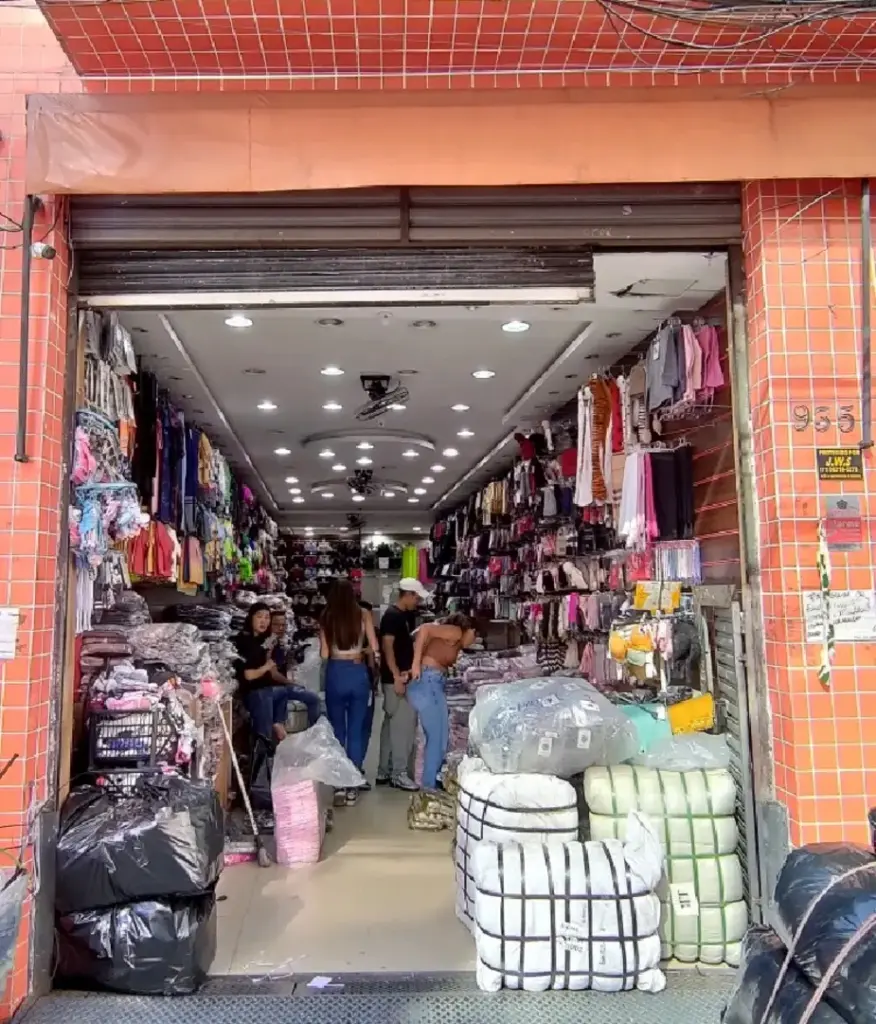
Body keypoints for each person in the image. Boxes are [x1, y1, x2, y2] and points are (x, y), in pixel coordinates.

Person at [320, 580, 380, 804]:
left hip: (335, 673)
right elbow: (374, 647)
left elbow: (324, 654)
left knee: (338, 731)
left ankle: (338, 784)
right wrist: (363, 651)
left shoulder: (326, 616)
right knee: (356, 730)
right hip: (358, 673)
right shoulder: (363, 614)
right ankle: (353, 784)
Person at [408, 613, 477, 791]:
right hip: (429, 682)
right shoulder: (456, 632)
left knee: (439, 738)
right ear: (469, 630)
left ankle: (431, 782)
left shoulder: (453, 640)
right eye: (475, 635)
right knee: (437, 738)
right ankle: (429, 786)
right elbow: (425, 629)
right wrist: (415, 664)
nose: (474, 641)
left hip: (432, 682)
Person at [376, 578, 429, 791]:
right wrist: (397, 676)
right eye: (416, 597)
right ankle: (398, 773)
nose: (418, 601)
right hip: (396, 680)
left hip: (397, 678)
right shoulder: (392, 616)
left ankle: (384, 770)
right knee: (403, 727)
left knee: (391, 726)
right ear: (407, 594)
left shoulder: (402, 616)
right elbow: (387, 647)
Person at [235, 602, 303, 743]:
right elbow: (249, 675)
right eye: (259, 616)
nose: (263, 621)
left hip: (267, 689)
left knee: (283, 691)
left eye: (267, 618)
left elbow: (274, 668)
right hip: (253, 692)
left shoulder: (265, 640)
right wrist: (266, 667)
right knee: (266, 699)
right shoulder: (244, 641)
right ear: (251, 618)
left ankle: (278, 724)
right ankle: (264, 747)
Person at [270, 609, 321, 727]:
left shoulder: (280, 644)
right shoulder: (267, 645)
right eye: (276, 625)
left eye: (283, 625)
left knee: (313, 698)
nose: (280, 628)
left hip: (283, 685)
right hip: (271, 687)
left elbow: (287, 666)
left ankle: (313, 730)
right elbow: (273, 674)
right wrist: (290, 683)